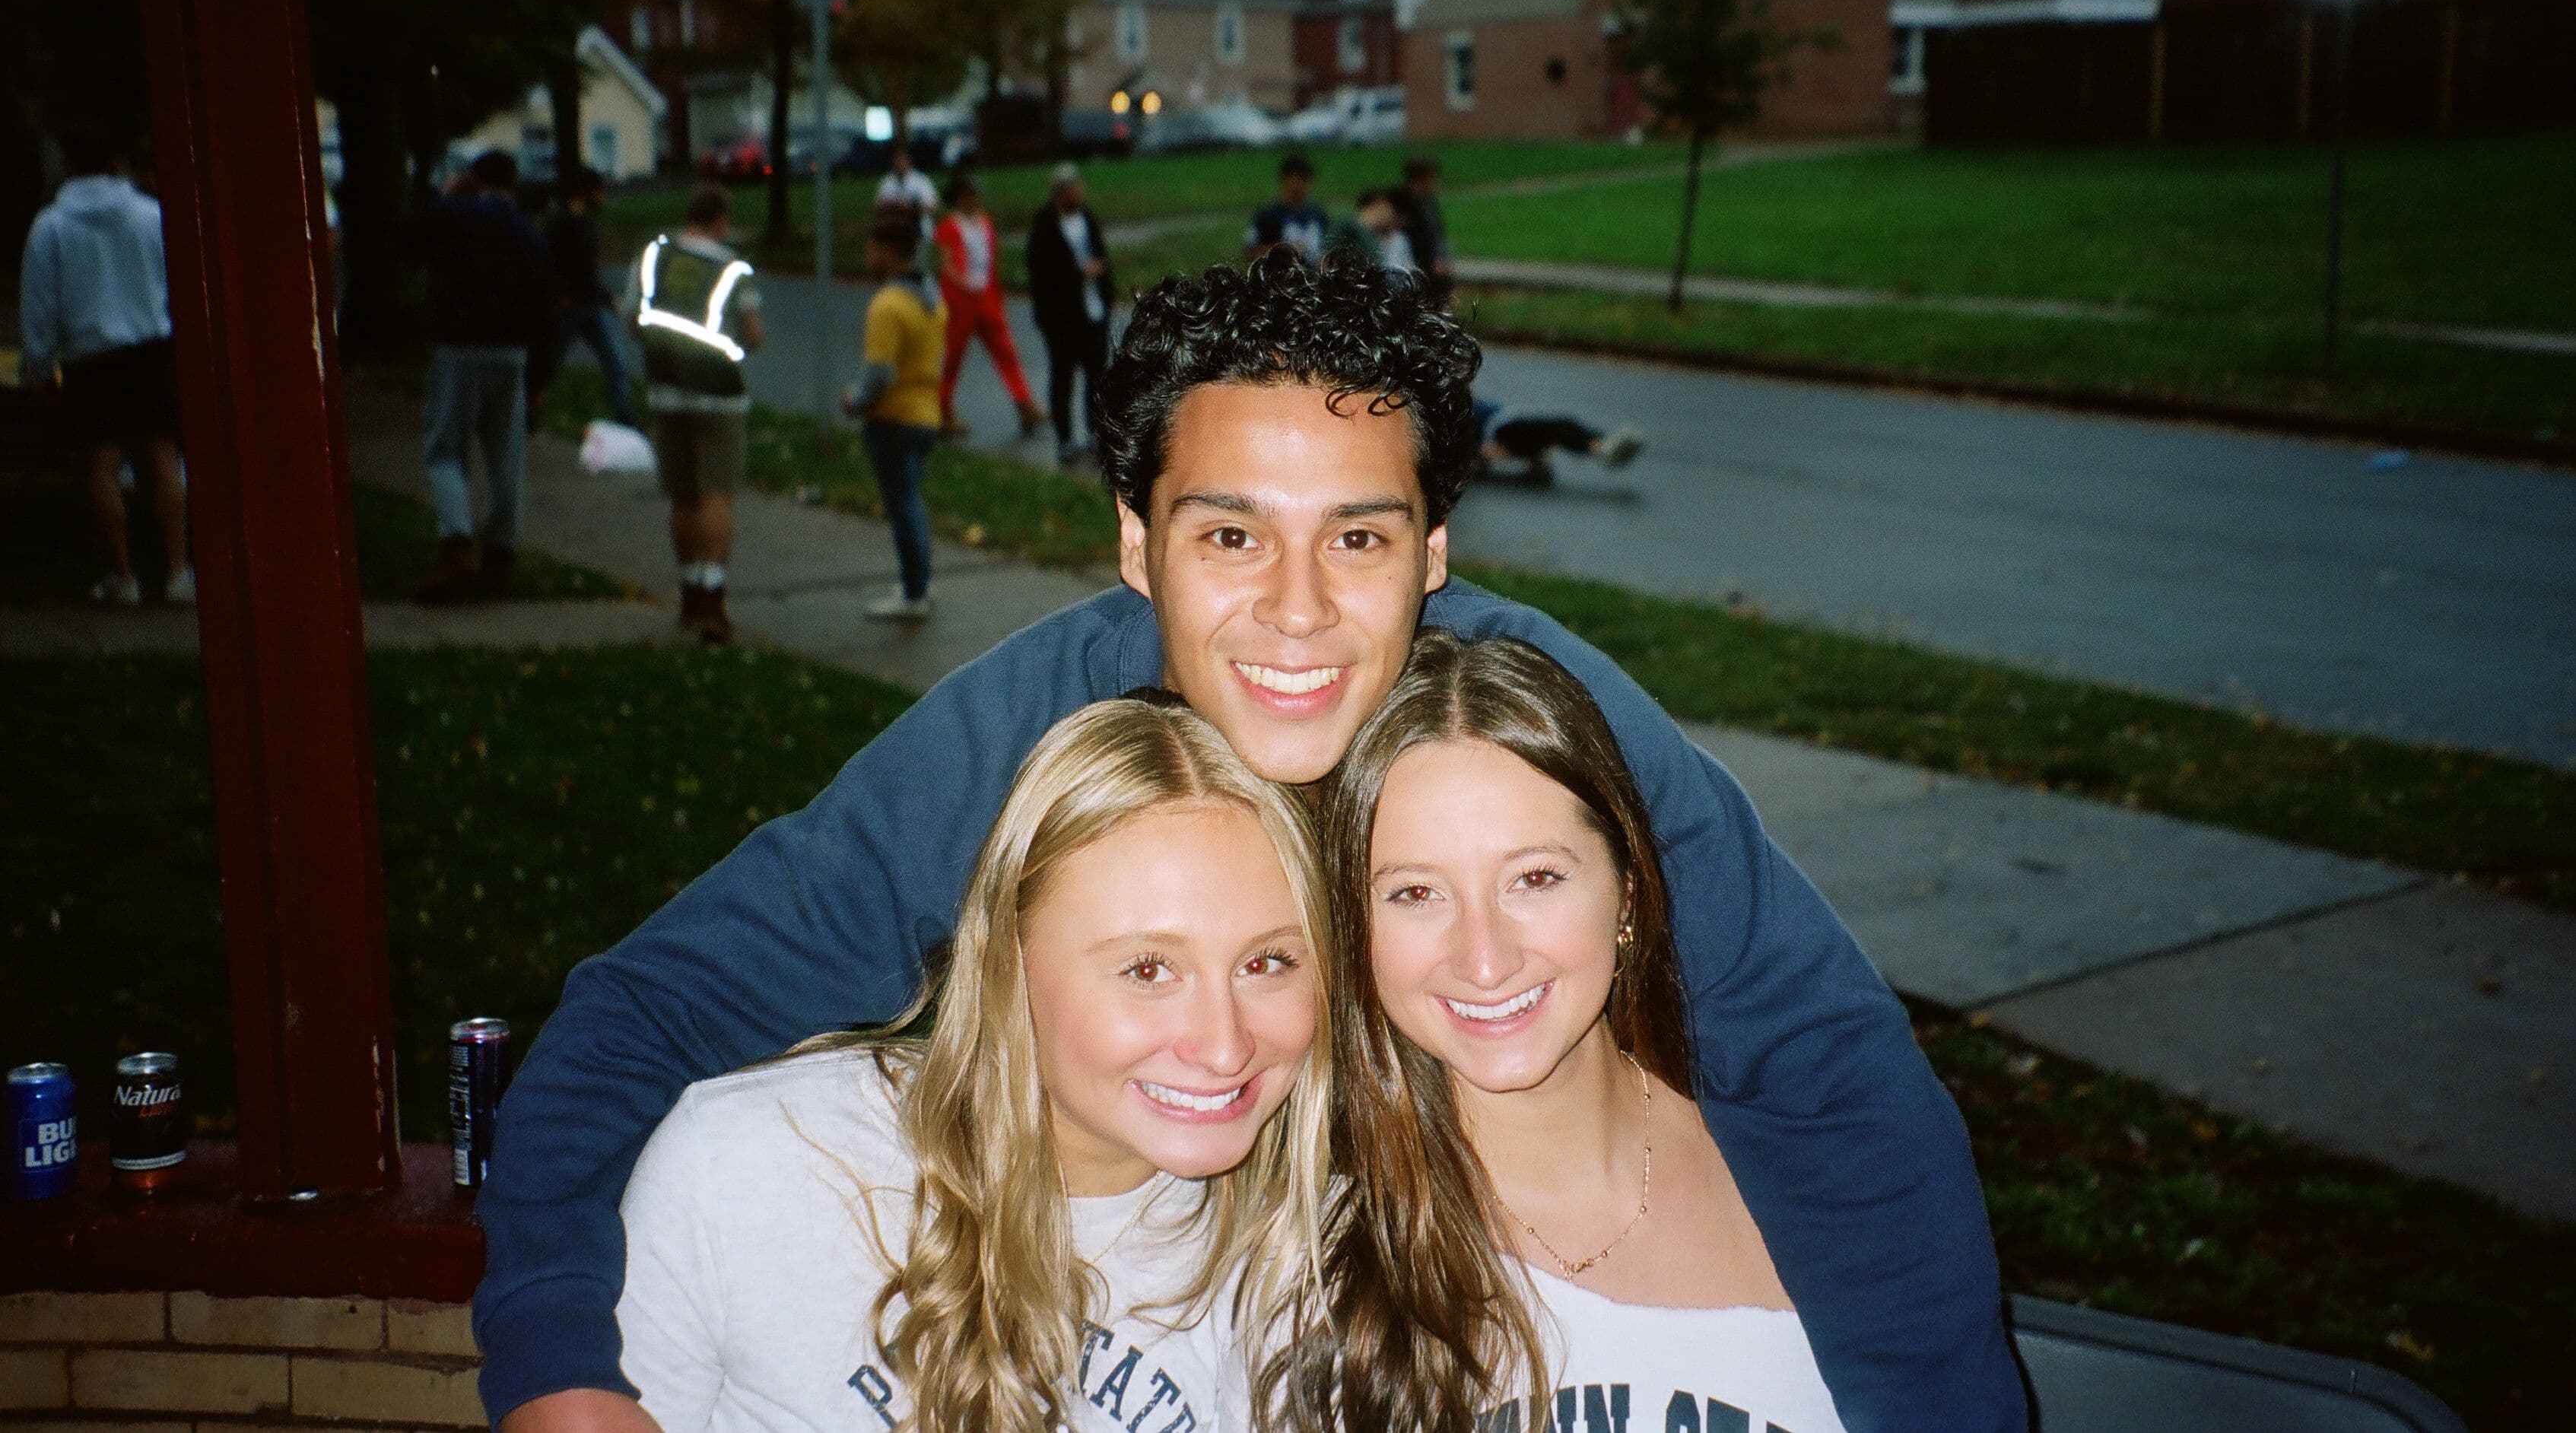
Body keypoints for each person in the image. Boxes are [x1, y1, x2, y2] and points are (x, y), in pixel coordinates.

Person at [474, 255, 2023, 1433]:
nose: (1294, 609)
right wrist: (556, 1368)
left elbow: (1827, 1070)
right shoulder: (1028, 726)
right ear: (1135, 543)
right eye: (1228, 536)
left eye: (1355, 536)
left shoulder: (1528, 716)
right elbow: (653, 1009)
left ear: (1432, 549)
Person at [617, 696, 1334, 1433]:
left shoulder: (1324, 1274)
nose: (1223, 1044)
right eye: (1148, 969)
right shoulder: (755, 1163)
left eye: (1267, 961)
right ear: (1008, 963)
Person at [1278, 631, 1847, 1430]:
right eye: (1415, 892)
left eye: (1535, 877)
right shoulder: (1307, 1255)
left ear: (1625, 891)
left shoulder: (1824, 1177)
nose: (1484, 957)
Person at [17, 120, 192, 606]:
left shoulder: (51, 226)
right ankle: (178, 570)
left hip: (91, 357)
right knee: (162, 459)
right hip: (152, 348)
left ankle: (123, 574)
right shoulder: (150, 215)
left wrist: (38, 366)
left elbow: (40, 304)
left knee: (102, 463)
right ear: (113, 163)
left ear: (67, 165)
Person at [623, 184, 764, 644]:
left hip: (668, 390)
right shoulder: (732, 268)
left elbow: (632, 321)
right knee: (716, 492)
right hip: (720, 396)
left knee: (682, 495)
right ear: (720, 221)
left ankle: (687, 593)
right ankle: (712, 595)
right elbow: (753, 333)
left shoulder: (653, 259)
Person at [415, 149, 557, 603]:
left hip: (459, 347)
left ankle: (457, 543)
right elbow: (545, 307)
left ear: (471, 179)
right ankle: (501, 548)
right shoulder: (527, 235)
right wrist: (540, 375)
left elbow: (404, 238)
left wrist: (446, 196)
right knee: (505, 455)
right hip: (512, 352)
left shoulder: (454, 219)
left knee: (444, 449)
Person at [840, 211, 944, 622]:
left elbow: (879, 373)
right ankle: (919, 580)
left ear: (887, 252)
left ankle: (913, 592)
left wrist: (855, 401)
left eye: (871, 247)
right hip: (926, 414)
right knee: (912, 501)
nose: (867, 254)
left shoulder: (888, 304)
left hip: (893, 418)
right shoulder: (930, 297)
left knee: (903, 506)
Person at [932, 173, 1044, 442]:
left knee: (1005, 350)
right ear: (959, 198)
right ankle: (941, 410)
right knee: (953, 356)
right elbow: (947, 265)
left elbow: (990, 261)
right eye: (968, 195)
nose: (974, 200)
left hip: (988, 297)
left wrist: (991, 290)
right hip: (960, 300)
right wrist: (963, 283)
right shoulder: (949, 226)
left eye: (975, 195)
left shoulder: (985, 223)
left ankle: (1024, 404)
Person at [1024, 164, 1115, 467]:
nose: (1079, 193)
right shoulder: (1044, 226)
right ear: (1059, 193)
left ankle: (1094, 433)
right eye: (1073, 188)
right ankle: (1065, 439)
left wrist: (1105, 287)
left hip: (1093, 311)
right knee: (1063, 377)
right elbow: (1042, 273)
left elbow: (1102, 256)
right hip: (1063, 316)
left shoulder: (1087, 218)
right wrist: (1077, 274)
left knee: (1096, 375)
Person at [541, 165, 640, 431]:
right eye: (599, 191)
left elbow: (588, 270)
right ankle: (526, 413)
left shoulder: (589, 224)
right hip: (568, 307)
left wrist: (606, 298)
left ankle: (627, 422)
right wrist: (558, 295)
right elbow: (551, 263)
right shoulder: (561, 223)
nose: (603, 196)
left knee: (615, 364)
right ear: (586, 192)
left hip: (592, 306)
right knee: (548, 363)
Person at [1472, 395, 1644, 487]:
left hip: (1510, 424)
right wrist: (1479, 452)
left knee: (1561, 427)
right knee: (1560, 426)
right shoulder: (1459, 407)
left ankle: (1603, 443)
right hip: (1503, 430)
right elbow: (1464, 441)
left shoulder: (1463, 400)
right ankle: (1603, 449)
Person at [1242, 153, 1329, 265]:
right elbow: (1249, 252)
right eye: (1295, 178)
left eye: (1303, 179)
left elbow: (1326, 248)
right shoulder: (1268, 215)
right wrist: (1282, 251)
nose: (1298, 185)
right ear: (1284, 180)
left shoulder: (1318, 214)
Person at [1395, 154, 1454, 299]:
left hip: (1432, 263)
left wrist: (1442, 258)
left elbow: (1437, 235)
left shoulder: (1429, 204)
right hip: (1416, 264)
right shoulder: (1402, 204)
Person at [872, 141, 940, 245]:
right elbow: (878, 207)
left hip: (919, 230)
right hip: (895, 231)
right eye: (897, 160)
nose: (899, 163)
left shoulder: (921, 181)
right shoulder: (888, 182)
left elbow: (933, 206)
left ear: (909, 161)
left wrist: (911, 206)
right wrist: (894, 206)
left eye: (902, 160)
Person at [1354, 187, 1418, 277]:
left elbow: (1410, 270)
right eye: (1380, 210)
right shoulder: (1359, 239)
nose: (1386, 214)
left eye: (1387, 209)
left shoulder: (1400, 239)